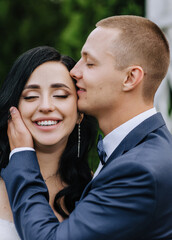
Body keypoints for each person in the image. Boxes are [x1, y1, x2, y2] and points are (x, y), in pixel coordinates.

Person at [2, 15, 172, 240]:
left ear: (131, 77)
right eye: (31, 96)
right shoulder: (124, 158)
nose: (75, 72)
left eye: (90, 63)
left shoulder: (139, 170)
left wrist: (22, 155)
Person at [0, 46, 97, 239]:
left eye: (60, 95)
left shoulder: (97, 188)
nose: (45, 106)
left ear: (80, 113)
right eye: (30, 97)